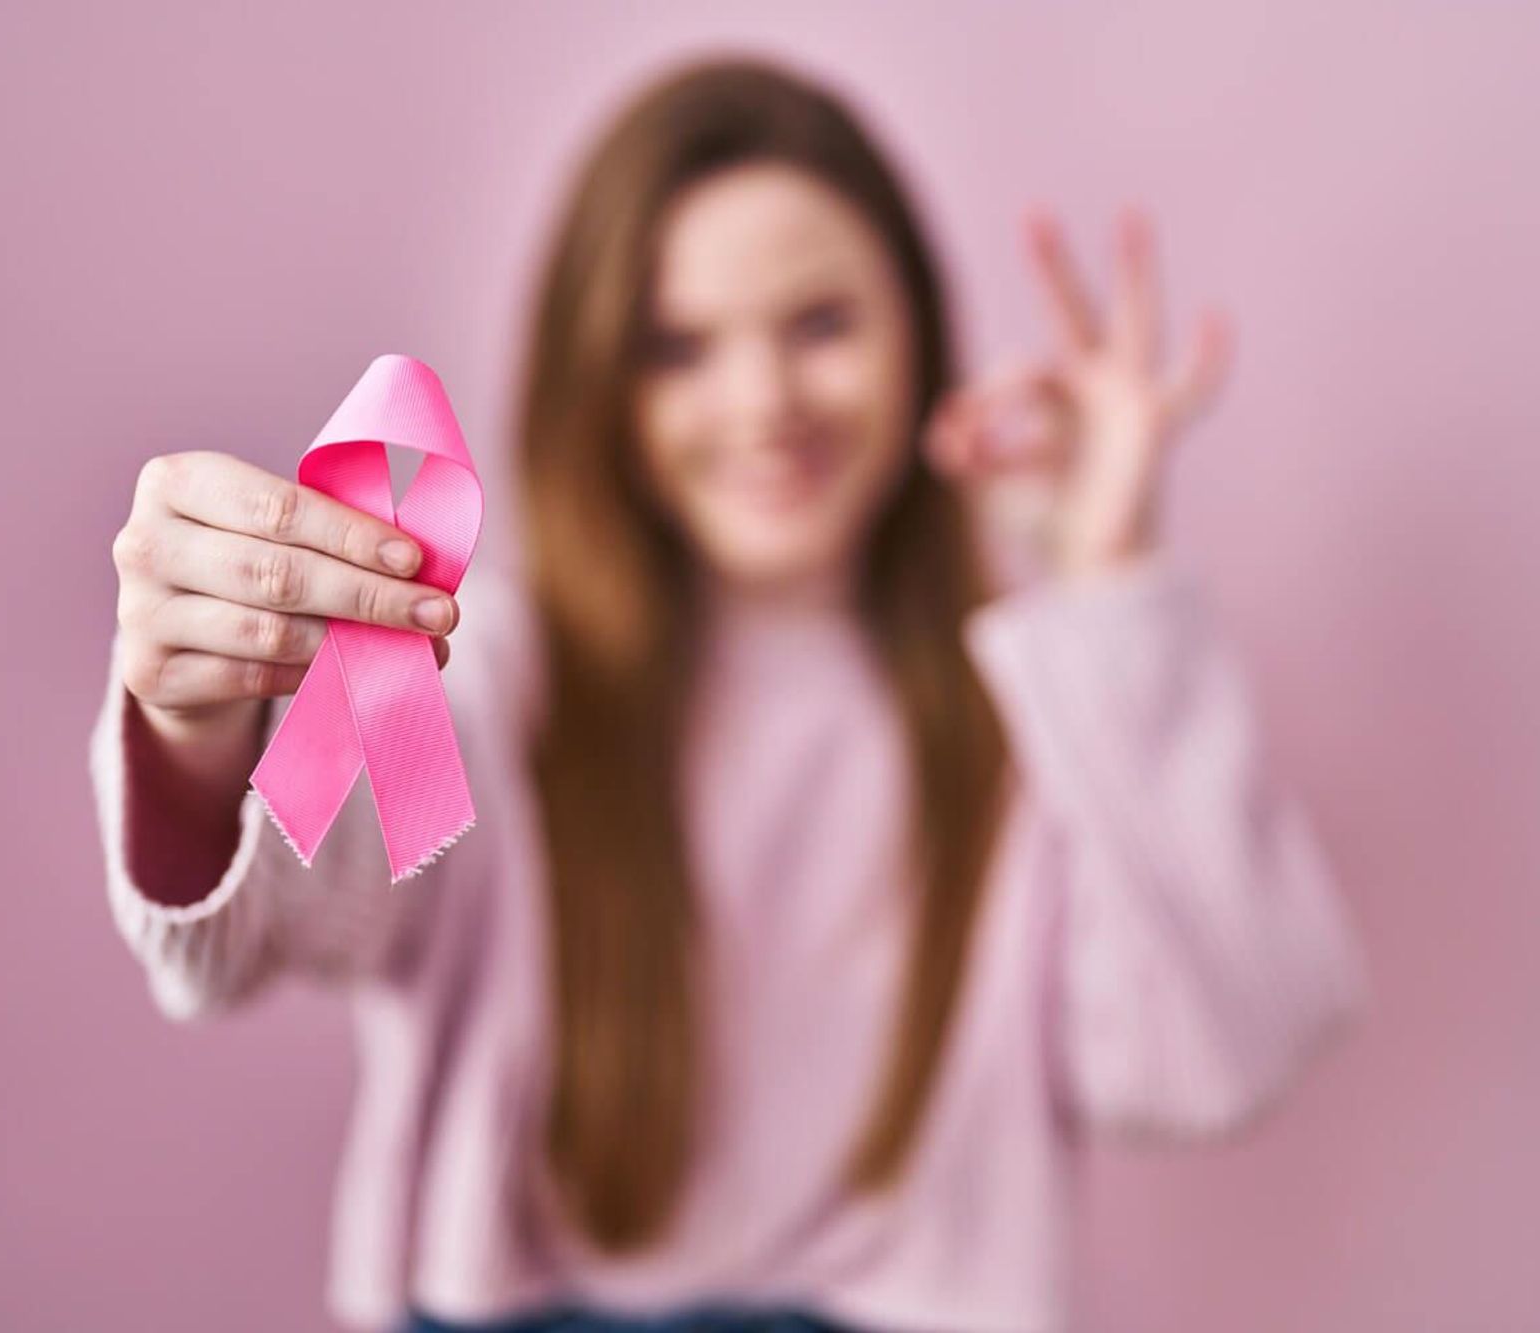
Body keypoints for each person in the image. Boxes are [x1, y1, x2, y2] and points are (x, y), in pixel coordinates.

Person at [88, 54, 1368, 1333]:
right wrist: (196, 723)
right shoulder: (498, 679)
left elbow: (1226, 1045)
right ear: (597, 381)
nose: (760, 403)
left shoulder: (1034, 720)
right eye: (677, 347)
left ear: (917, 334)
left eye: (819, 324)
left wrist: (1104, 581)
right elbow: (255, 931)